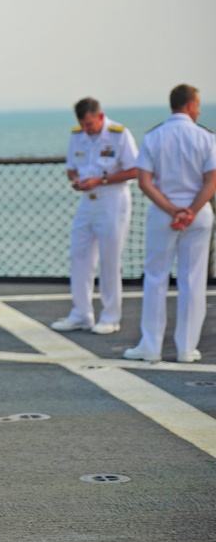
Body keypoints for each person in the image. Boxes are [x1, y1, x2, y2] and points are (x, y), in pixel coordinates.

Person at [125, 84, 216, 363]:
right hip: (198, 216)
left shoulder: (154, 136)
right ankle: (187, 348)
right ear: (190, 105)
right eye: (198, 104)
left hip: (163, 215)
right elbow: (211, 181)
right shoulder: (206, 138)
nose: (199, 110)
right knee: (193, 280)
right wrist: (190, 211)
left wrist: (172, 210)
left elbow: (144, 181)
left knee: (155, 278)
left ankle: (150, 345)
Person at [51, 98, 138, 335]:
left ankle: (111, 316)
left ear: (100, 116)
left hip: (113, 200)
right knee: (79, 256)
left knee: (110, 260)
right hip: (87, 202)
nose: (86, 129)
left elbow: (135, 170)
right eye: (83, 124)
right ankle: (81, 313)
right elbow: (71, 168)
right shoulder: (77, 135)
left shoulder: (119, 134)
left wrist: (101, 180)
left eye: (90, 124)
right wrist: (77, 180)